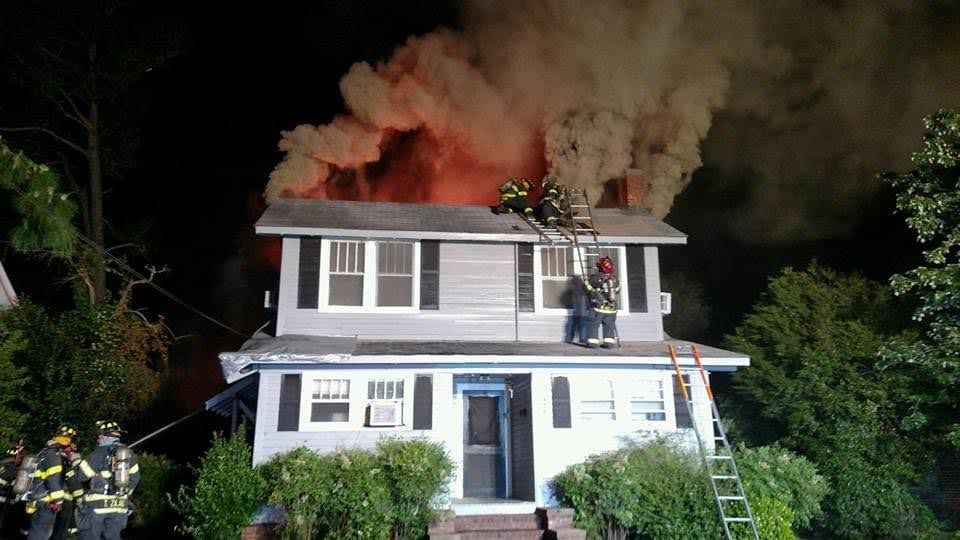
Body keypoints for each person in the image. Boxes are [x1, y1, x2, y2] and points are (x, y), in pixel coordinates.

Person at [73, 421, 139, 540]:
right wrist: (123, 494)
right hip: (120, 506)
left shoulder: (98, 453)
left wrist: (76, 461)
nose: (98, 439)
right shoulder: (129, 454)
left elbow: (81, 476)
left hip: (97, 507)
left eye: (99, 436)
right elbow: (135, 478)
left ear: (104, 436)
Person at [26, 425, 74, 540]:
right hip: (47, 501)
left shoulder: (44, 452)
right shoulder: (54, 455)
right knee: (41, 534)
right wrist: (59, 500)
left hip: (37, 498)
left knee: (37, 531)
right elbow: (53, 479)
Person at [583, 256, 621, 348]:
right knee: (609, 325)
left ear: (600, 267)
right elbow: (618, 290)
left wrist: (586, 283)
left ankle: (593, 343)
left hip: (598, 308)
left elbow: (587, 289)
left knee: (594, 324)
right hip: (611, 309)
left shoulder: (595, 278)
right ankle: (608, 343)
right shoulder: (615, 279)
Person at [52, 433, 83, 540]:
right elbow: (74, 479)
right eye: (74, 442)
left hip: (52, 498)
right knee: (60, 530)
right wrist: (79, 498)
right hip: (65, 499)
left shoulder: (52, 454)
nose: (75, 445)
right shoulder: (68, 458)